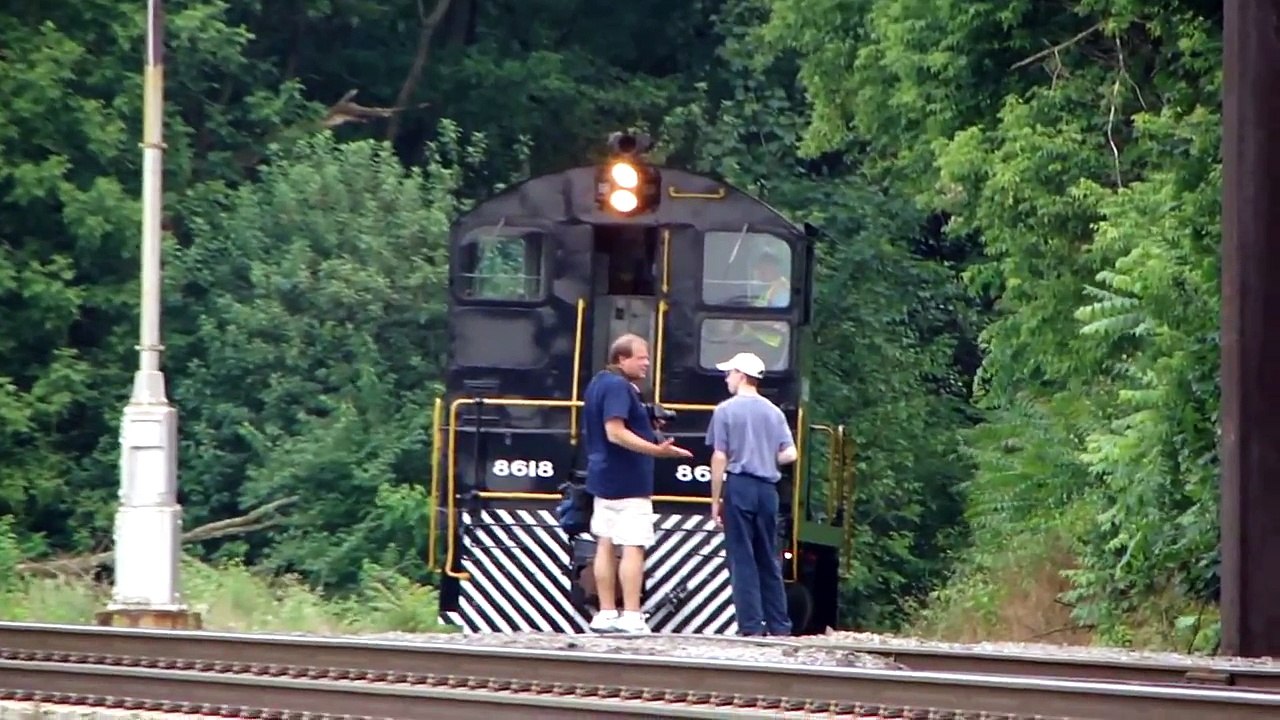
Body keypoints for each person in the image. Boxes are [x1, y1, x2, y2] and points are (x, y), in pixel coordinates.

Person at [582, 333, 692, 633]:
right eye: (641, 357)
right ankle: (631, 615)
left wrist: (645, 422)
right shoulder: (619, 387)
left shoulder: (598, 383)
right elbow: (615, 431)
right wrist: (659, 450)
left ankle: (605, 614)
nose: (647, 363)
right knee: (633, 545)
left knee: (604, 543)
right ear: (622, 359)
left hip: (602, 478)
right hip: (628, 481)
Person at [705, 352, 798, 636]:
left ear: (742, 376)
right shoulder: (774, 412)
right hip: (767, 491)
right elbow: (791, 454)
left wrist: (714, 500)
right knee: (768, 558)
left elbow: (719, 456)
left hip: (740, 486)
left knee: (742, 558)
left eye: (729, 373)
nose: (726, 378)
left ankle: (750, 626)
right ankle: (780, 625)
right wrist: (766, 458)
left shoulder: (725, 410)